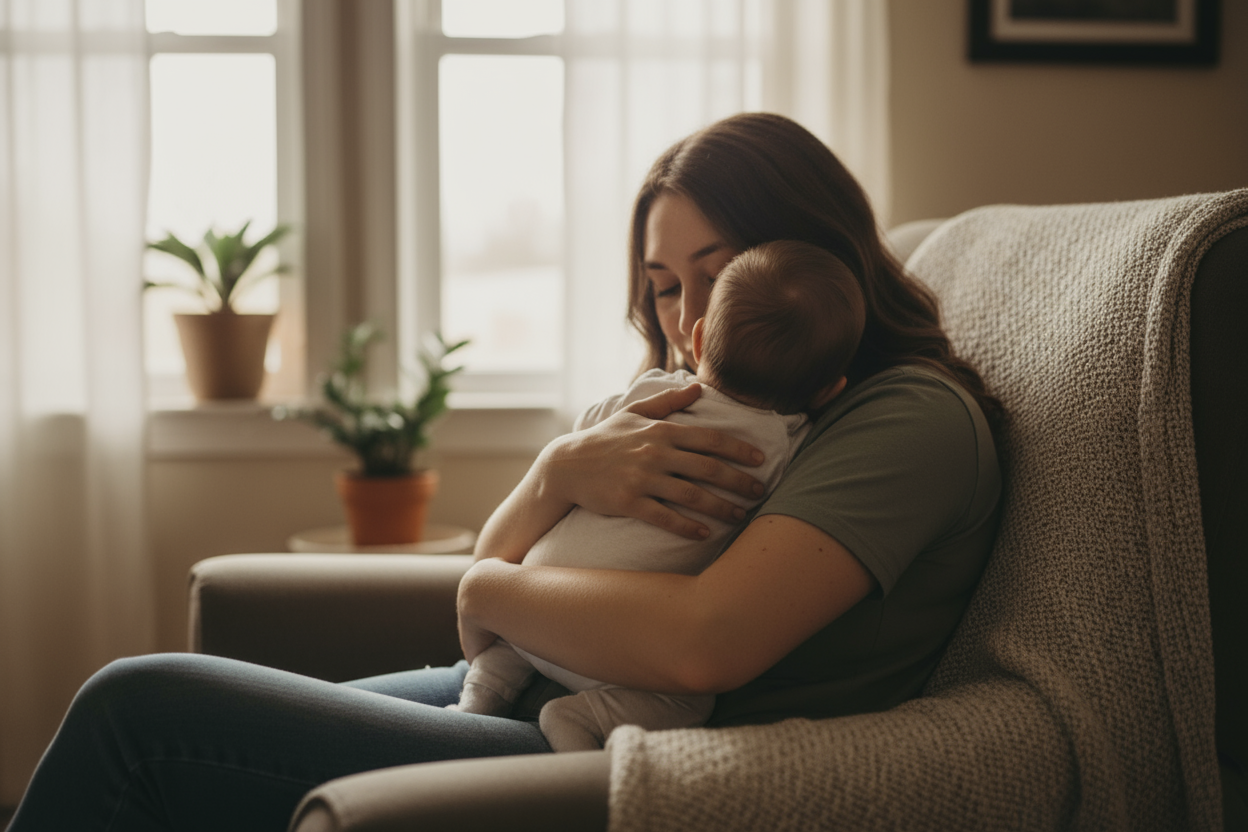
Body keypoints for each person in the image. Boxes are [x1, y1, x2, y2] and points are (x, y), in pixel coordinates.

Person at [8, 112, 1002, 831]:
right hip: (527, 688)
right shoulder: (704, 399)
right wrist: (561, 471)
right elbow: (491, 595)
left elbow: (705, 643)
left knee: (135, 711)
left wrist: (493, 586)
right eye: (663, 287)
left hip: (612, 742)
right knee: (155, 734)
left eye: (720, 269)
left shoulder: (905, 415)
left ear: (808, 252)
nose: (689, 314)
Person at [452, 240, 866, 752]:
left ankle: (482, 694)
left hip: (532, 613)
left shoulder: (653, 392)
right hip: (613, 660)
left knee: (505, 654)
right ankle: (577, 719)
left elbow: (589, 432)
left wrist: (567, 458)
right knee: (689, 706)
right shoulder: (788, 447)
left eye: (707, 280)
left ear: (698, 336)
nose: (682, 306)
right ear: (830, 391)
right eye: (665, 286)